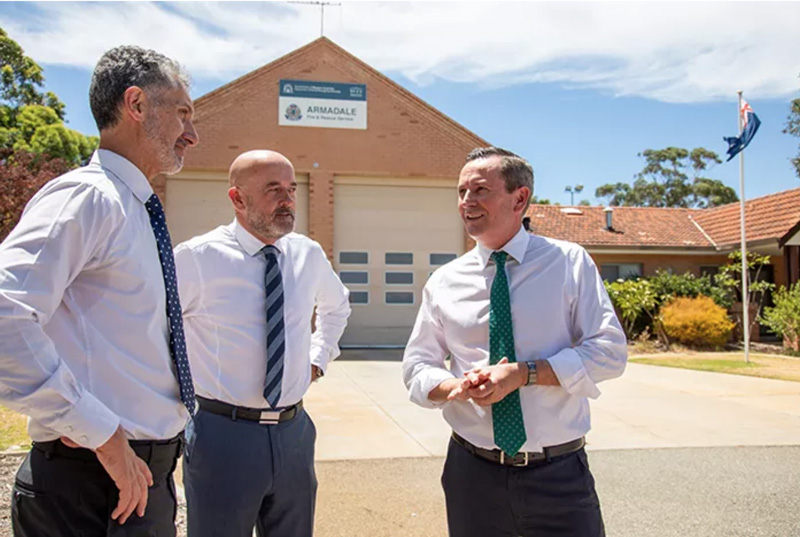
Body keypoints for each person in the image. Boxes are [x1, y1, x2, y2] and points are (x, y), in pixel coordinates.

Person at [0, 45, 199, 536]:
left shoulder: (136, 209)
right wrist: (104, 436)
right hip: (89, 487)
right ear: (135, 105)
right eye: (182, 113)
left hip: (135, 481)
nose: (191, 135)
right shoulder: (89, 197)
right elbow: (5, 314)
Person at [402, 147, 627, 537]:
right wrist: (459, 386)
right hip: (472, 476)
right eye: (461, 192)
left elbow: (609, 352)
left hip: (558, 477)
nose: (466, 202)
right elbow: (417, 366)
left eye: (480, 190)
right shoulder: (444, 281)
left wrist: (523, 374)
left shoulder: (569, 263)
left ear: (519, 198)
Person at [175, 149, 351, 537]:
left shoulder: (307, 253)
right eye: (273, 190)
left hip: (294, 433)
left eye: (290, 189)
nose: (288, 200)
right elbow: (156, 334)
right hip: (222, 435)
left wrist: (317, 359)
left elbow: (337, 307)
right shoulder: (195, 259)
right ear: (237, 199)